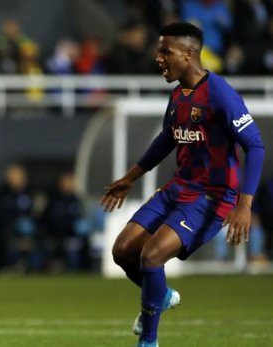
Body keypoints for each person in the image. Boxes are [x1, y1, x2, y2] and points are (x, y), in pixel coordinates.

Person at [101, 23, 264, 347]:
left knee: (151, 256)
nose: (158, 57)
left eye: (165, 51)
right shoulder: (178, 94)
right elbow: (167, 140)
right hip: (178, 189)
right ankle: (161, 296)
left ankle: (149, 342)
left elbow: (255, 146)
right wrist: (129, 179)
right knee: (122, 252)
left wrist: (245, 204)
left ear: (188, 54)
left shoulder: (220, 94)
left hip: (211, 197)